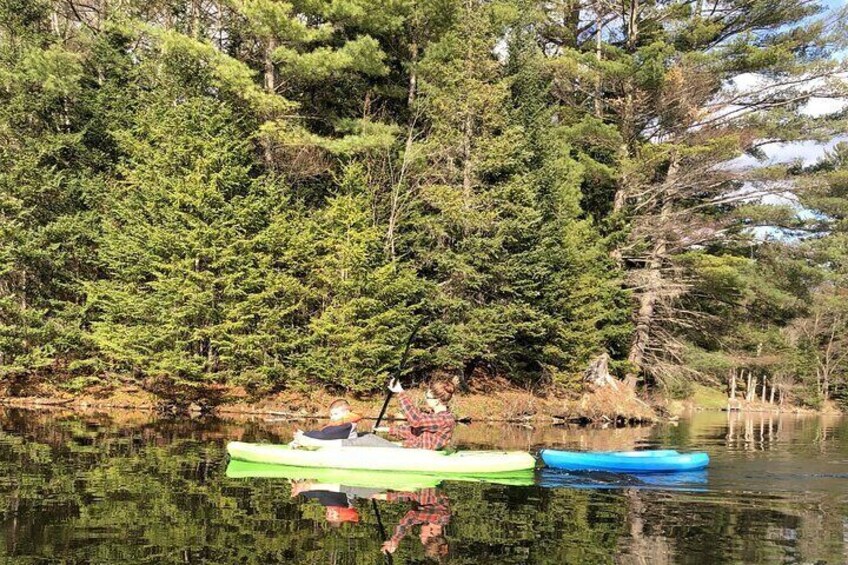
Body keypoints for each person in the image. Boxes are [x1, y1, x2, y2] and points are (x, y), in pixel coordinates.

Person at [376, 377, 457, 450]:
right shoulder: (435, 417)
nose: (425, 399)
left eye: (427, 397)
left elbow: (416, 420)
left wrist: (400, 392)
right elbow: (414, 431)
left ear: (436, 401)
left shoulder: (443, 419)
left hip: (425, 458)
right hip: (418, 453)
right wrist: (386, 429)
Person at [375, 488, 451, 559]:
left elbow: (409, 522)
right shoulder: (437, 518)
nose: (419, 534)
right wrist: (395, 541)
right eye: (422, 536)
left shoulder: (437, 520)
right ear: (431, 532)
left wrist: (395, 540)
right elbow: (411, 510)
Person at [290, 399, 362, 447]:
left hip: (345, 453)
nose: (332, 417)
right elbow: (325, 433)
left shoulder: (347, 425)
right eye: (331, 415)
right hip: (338, 449)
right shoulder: (341, 424)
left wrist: (304, 434)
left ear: (346, 413)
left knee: (308, 439)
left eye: (336, 414)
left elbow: (323, 435)